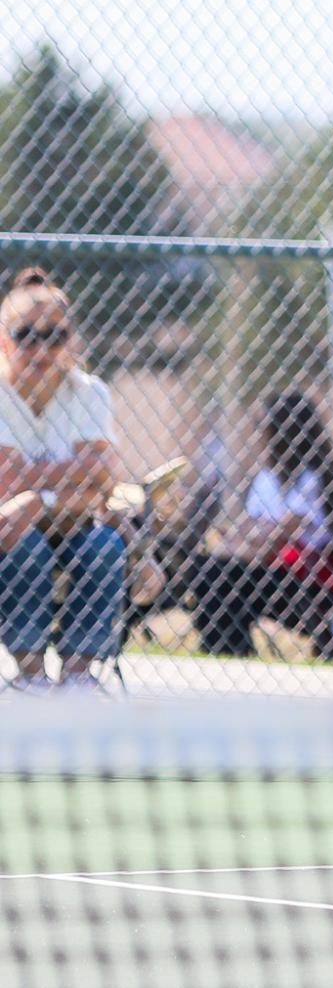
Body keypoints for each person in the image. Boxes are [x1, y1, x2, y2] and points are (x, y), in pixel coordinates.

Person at [0, 268, 126, 692]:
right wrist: (74, 478)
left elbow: (102, 477)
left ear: (71, 340)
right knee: (25, 544)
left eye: (55, 335)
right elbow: (4, 481)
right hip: (9, 531)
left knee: (104, 546)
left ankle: (78, 675)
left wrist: (37, 496)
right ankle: (30, 674)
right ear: (3, 340)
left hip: (73, 525)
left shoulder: (90, 392)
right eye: (26, 335)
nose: (42, 348)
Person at [178, 391, 333, 657]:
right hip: (272, 570)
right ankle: (229, 647)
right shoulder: (268, 477)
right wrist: (248, 540)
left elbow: (278, 537)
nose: (259, 434)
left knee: (220, 572)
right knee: (208, 568)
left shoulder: (314, 478)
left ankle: (230, 648)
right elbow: (252, 531)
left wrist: (248, 541)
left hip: (311, 578)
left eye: (265, 427)